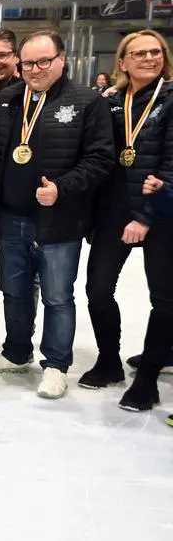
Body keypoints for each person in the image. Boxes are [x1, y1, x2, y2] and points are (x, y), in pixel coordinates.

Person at [0, 31, 114, 399]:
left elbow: (101, 159)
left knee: (57, 295)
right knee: (14, 291)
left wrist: (62, 188)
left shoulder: (86, 102)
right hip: (10, 216)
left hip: (59, 219)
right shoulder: (9, 99)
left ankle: (56, 364)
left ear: (62, 60)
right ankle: (16, 351)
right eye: (28, 64)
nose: (35, 70)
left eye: (43, 62)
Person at [82, 30, 173, 411]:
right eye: (139, 53)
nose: (148, 58)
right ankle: (108, 360)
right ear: (122, 62)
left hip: (161, 212)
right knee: (98, 290)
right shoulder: (111, 102)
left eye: (155, 52)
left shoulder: (171, 99)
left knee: (164, 300)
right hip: (115, 211)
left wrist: (147, 216)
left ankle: (148, 378)